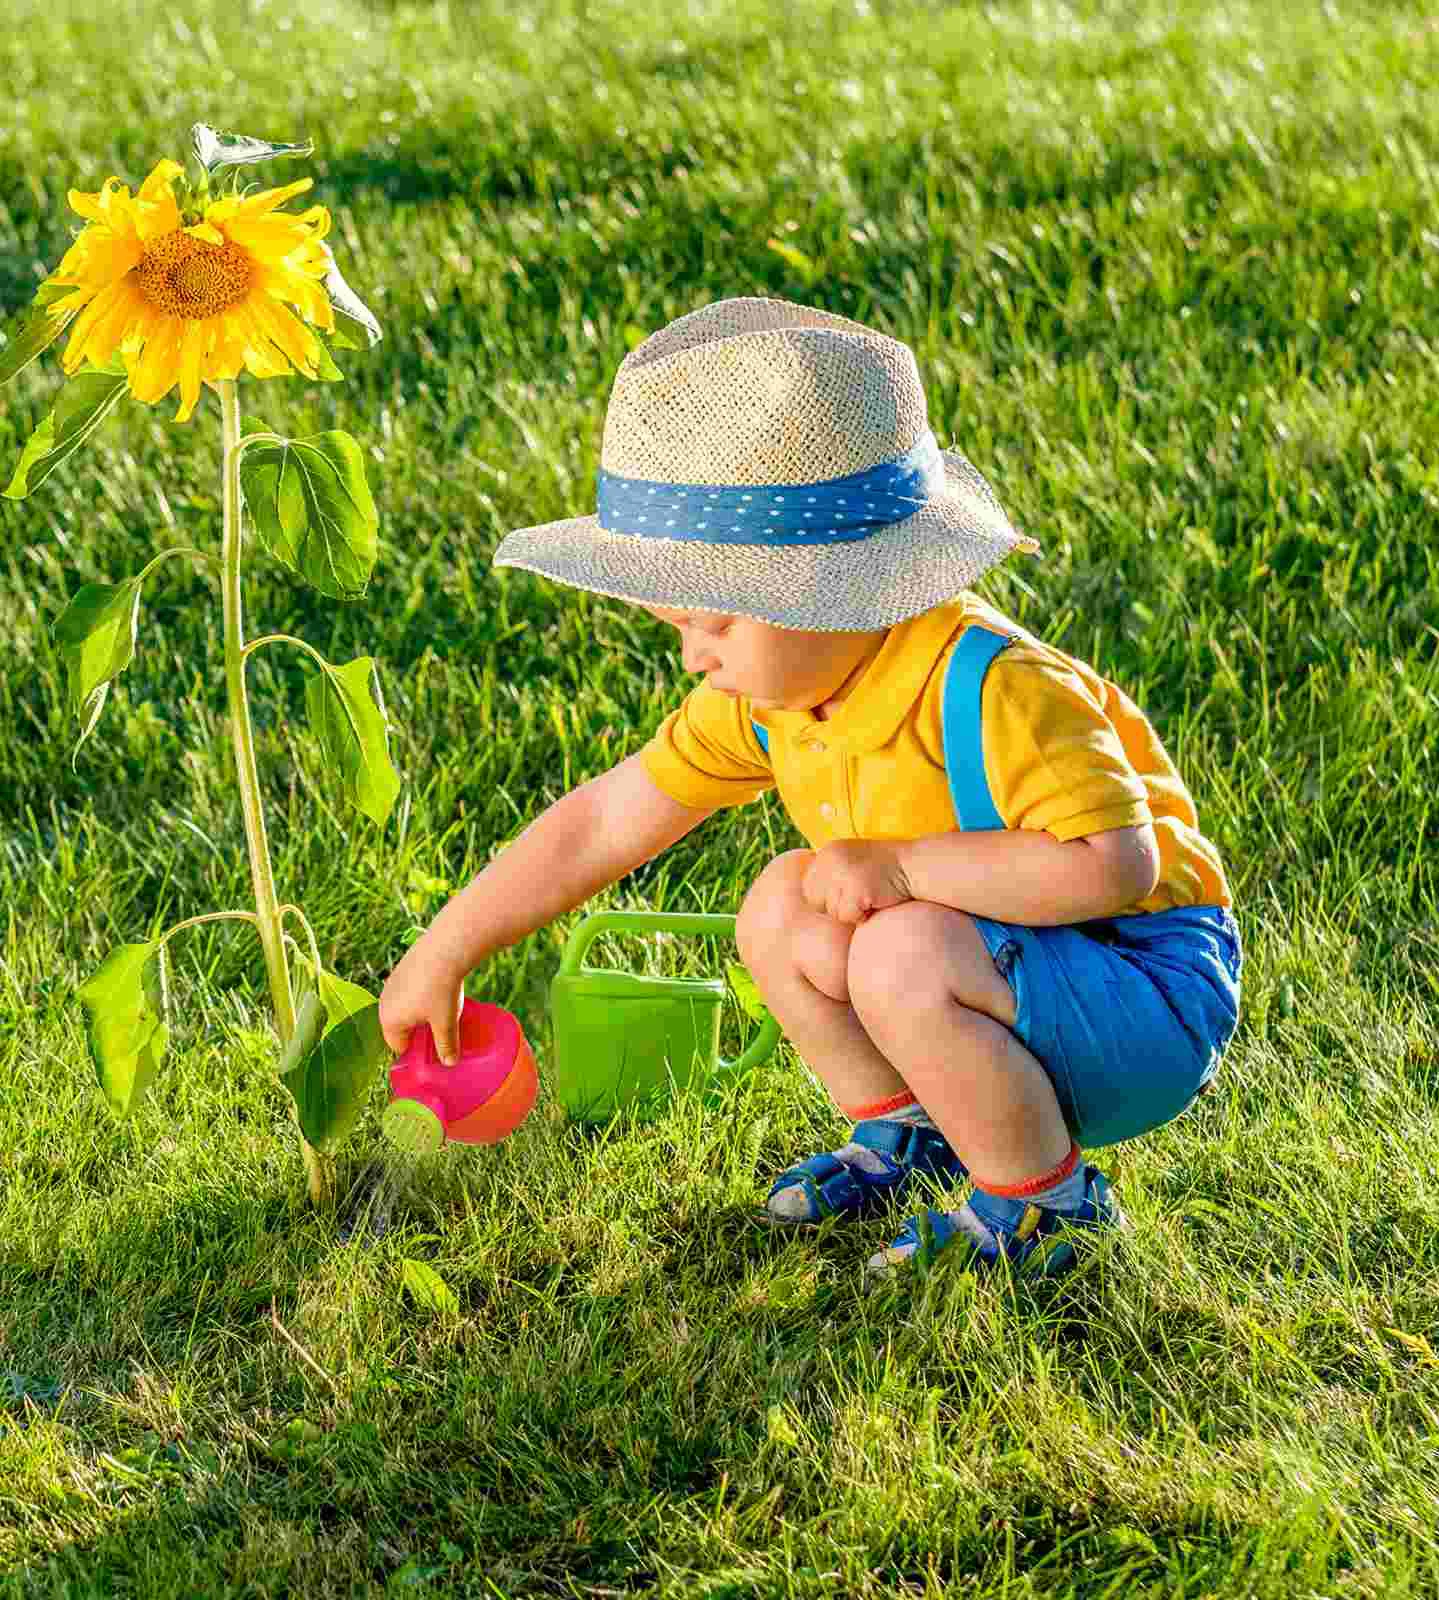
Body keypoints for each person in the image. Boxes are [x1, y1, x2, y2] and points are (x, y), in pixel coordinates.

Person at [378, 295, 1241, 1277]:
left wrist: (907, 867)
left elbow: (1115, 868)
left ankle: (1047, 1206)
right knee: (781, 904)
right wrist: (446, 948)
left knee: (898, 948)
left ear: (835, 589)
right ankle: (914, 1133)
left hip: (1138, 990)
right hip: (1004, 973)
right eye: (678, 629)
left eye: (718, 624)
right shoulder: (773, 697)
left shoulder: (994, 687)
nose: (696, 658)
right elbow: (604, 821)